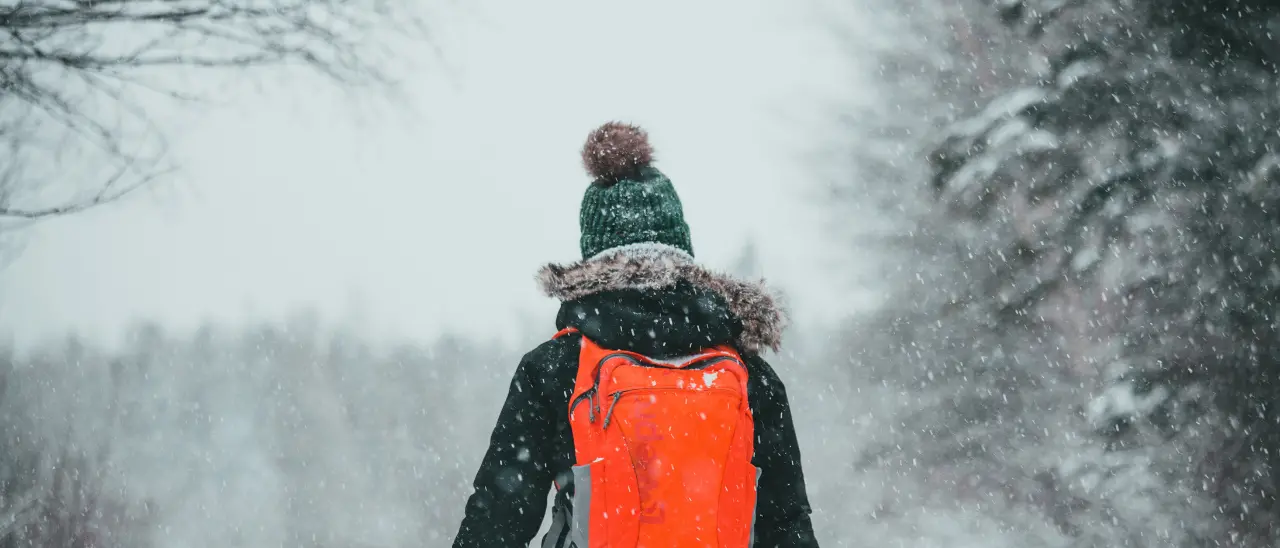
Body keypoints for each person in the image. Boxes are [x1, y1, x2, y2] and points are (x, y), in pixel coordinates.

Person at [452, 122, 819, 548]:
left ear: (592, 257)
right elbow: (787, 522)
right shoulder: (749, 375)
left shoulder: (557, 367)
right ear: (682, 248)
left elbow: (500, 514)